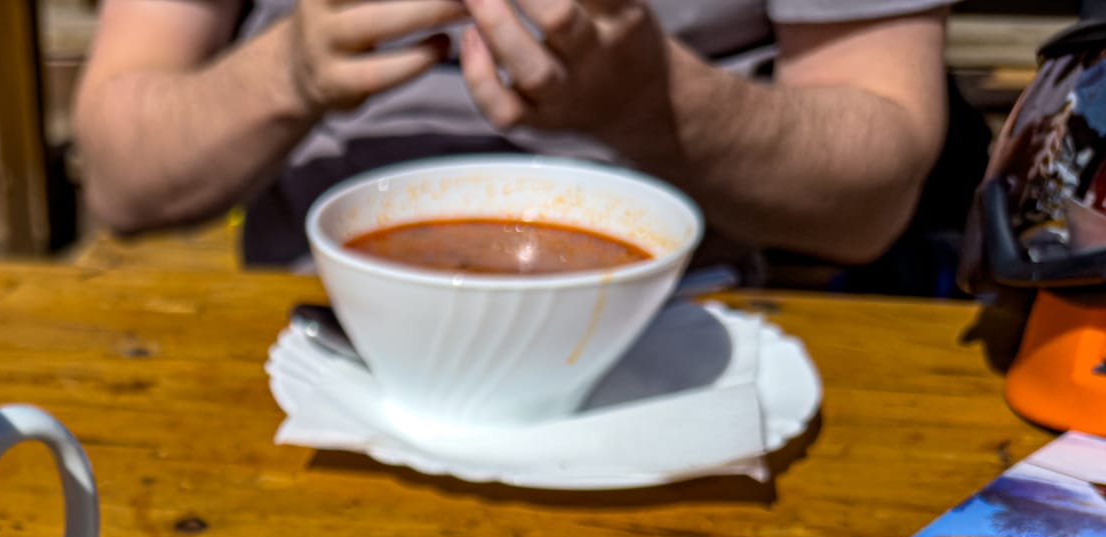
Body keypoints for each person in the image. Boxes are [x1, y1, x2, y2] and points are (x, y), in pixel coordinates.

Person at [73, 0, 952, 269]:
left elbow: (872, 198)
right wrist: (286, 73)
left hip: (683, 351)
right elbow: (120, 174)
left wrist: (653, 102)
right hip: (315, 349)